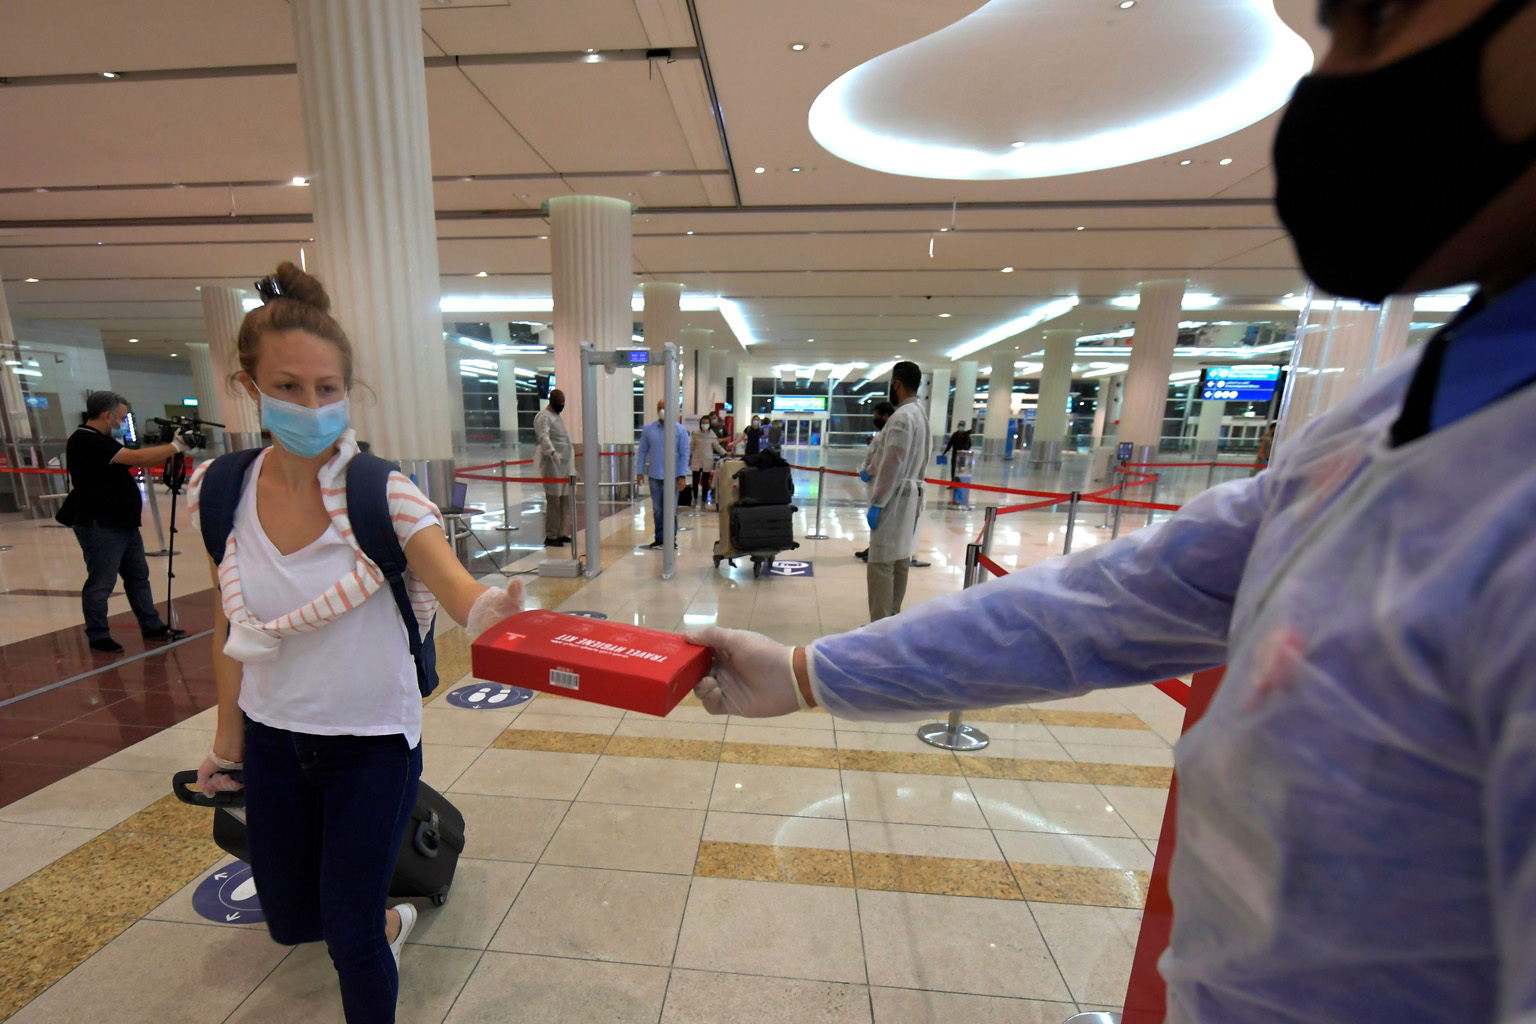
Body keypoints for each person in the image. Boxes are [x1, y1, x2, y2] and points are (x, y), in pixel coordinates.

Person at [685, 1, 1536, 1018]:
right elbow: (1106, 604)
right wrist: (806, 673)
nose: (1334, 78)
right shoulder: (1394, 409)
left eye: (1380, 17)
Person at [189, 263, 523, 1024]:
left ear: (347, 390)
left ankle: (375, 933)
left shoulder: (382, 491)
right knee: (291, 920)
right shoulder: (222, 491)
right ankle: (389, 923)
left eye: (327, 388)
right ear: (249, 386)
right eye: (289, 387)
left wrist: (492, 611)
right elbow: (228, 625)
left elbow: (456, 586)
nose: (311, 406)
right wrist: (227, 741)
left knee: (347, 933)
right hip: (273, 738)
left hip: (371, 741)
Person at [64, 390, 194, 653]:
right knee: (102, 582)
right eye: (122, 418)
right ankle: (98, 634)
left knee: (138, 577)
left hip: (122, 522)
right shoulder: (86, 440)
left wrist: (173, 447)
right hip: (100, 524)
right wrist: (175, 447)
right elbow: (136, 458)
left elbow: (139, 458)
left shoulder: (104, 440)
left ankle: (152, 625)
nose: (124, 422)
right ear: (107, 415)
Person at [859, 362, 929, 620]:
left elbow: (892, 463)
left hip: (894, 498)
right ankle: (894, 619)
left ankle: (879, 625)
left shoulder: (901, 417)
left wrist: (878, 502)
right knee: (901, 559)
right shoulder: (920, 414)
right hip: (913, 496)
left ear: (896, 384)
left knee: (881, 564)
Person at [635, 399, 689, 549]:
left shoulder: (680, 431)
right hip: (655, 475)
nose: (661, 410)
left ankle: (671, 538)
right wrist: (639, 471)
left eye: (664, 407)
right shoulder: (649, 429)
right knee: (658, 509)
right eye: (659, 407)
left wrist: (682, 476)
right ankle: (660, 538)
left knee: (671, 510)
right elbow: (642, 451)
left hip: (673, 476)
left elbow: (684, 454)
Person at [854, 401, 895, 564]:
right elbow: (872, 456)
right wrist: (864, 469)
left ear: (885, 416)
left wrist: (868, 471)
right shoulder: (882, 433)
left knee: (881, 519)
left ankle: (878, 550)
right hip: (874, 480)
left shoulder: (889, 433)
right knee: (875, 519)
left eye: (877, 415)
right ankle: (873, 547)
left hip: (880, 480)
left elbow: (881, 459)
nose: (874, 418)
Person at [534, 389, 574, 546]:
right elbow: (543, 436)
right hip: (552, 464)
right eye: (560, 402)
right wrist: (552, 452)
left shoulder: (557, 417)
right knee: (554, 500)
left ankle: (560, 532)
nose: (562, 405)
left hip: (564, 466)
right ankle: (551, 535)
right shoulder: (544, 417)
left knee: (564, 499)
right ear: (552, 401)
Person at [690, 414, 726, 508]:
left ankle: (703, 501)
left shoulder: (712, 435)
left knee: (705, 482)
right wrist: (686, 455)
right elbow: (691, 446)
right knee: (695, 481)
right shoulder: (696, 434)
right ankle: (694, 499)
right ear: (700, 424)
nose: (704, 425)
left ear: (709, 424)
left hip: (707, 461)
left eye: (706, 423)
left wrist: (725, 453)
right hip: (697, 460)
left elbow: (717, 446)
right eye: (703, 423)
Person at [940, 419, 972, 507]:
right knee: (953, 470)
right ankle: (953, 483)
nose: (960, 427)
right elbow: (950, 444)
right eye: (959, 426)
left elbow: (969, 444)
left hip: (961, 455)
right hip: (955, 455)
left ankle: (959, 484)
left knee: (960, 470)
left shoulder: (966, 435)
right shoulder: (955, 434)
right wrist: (944, 452)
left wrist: (964, 450)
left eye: (962, 426)